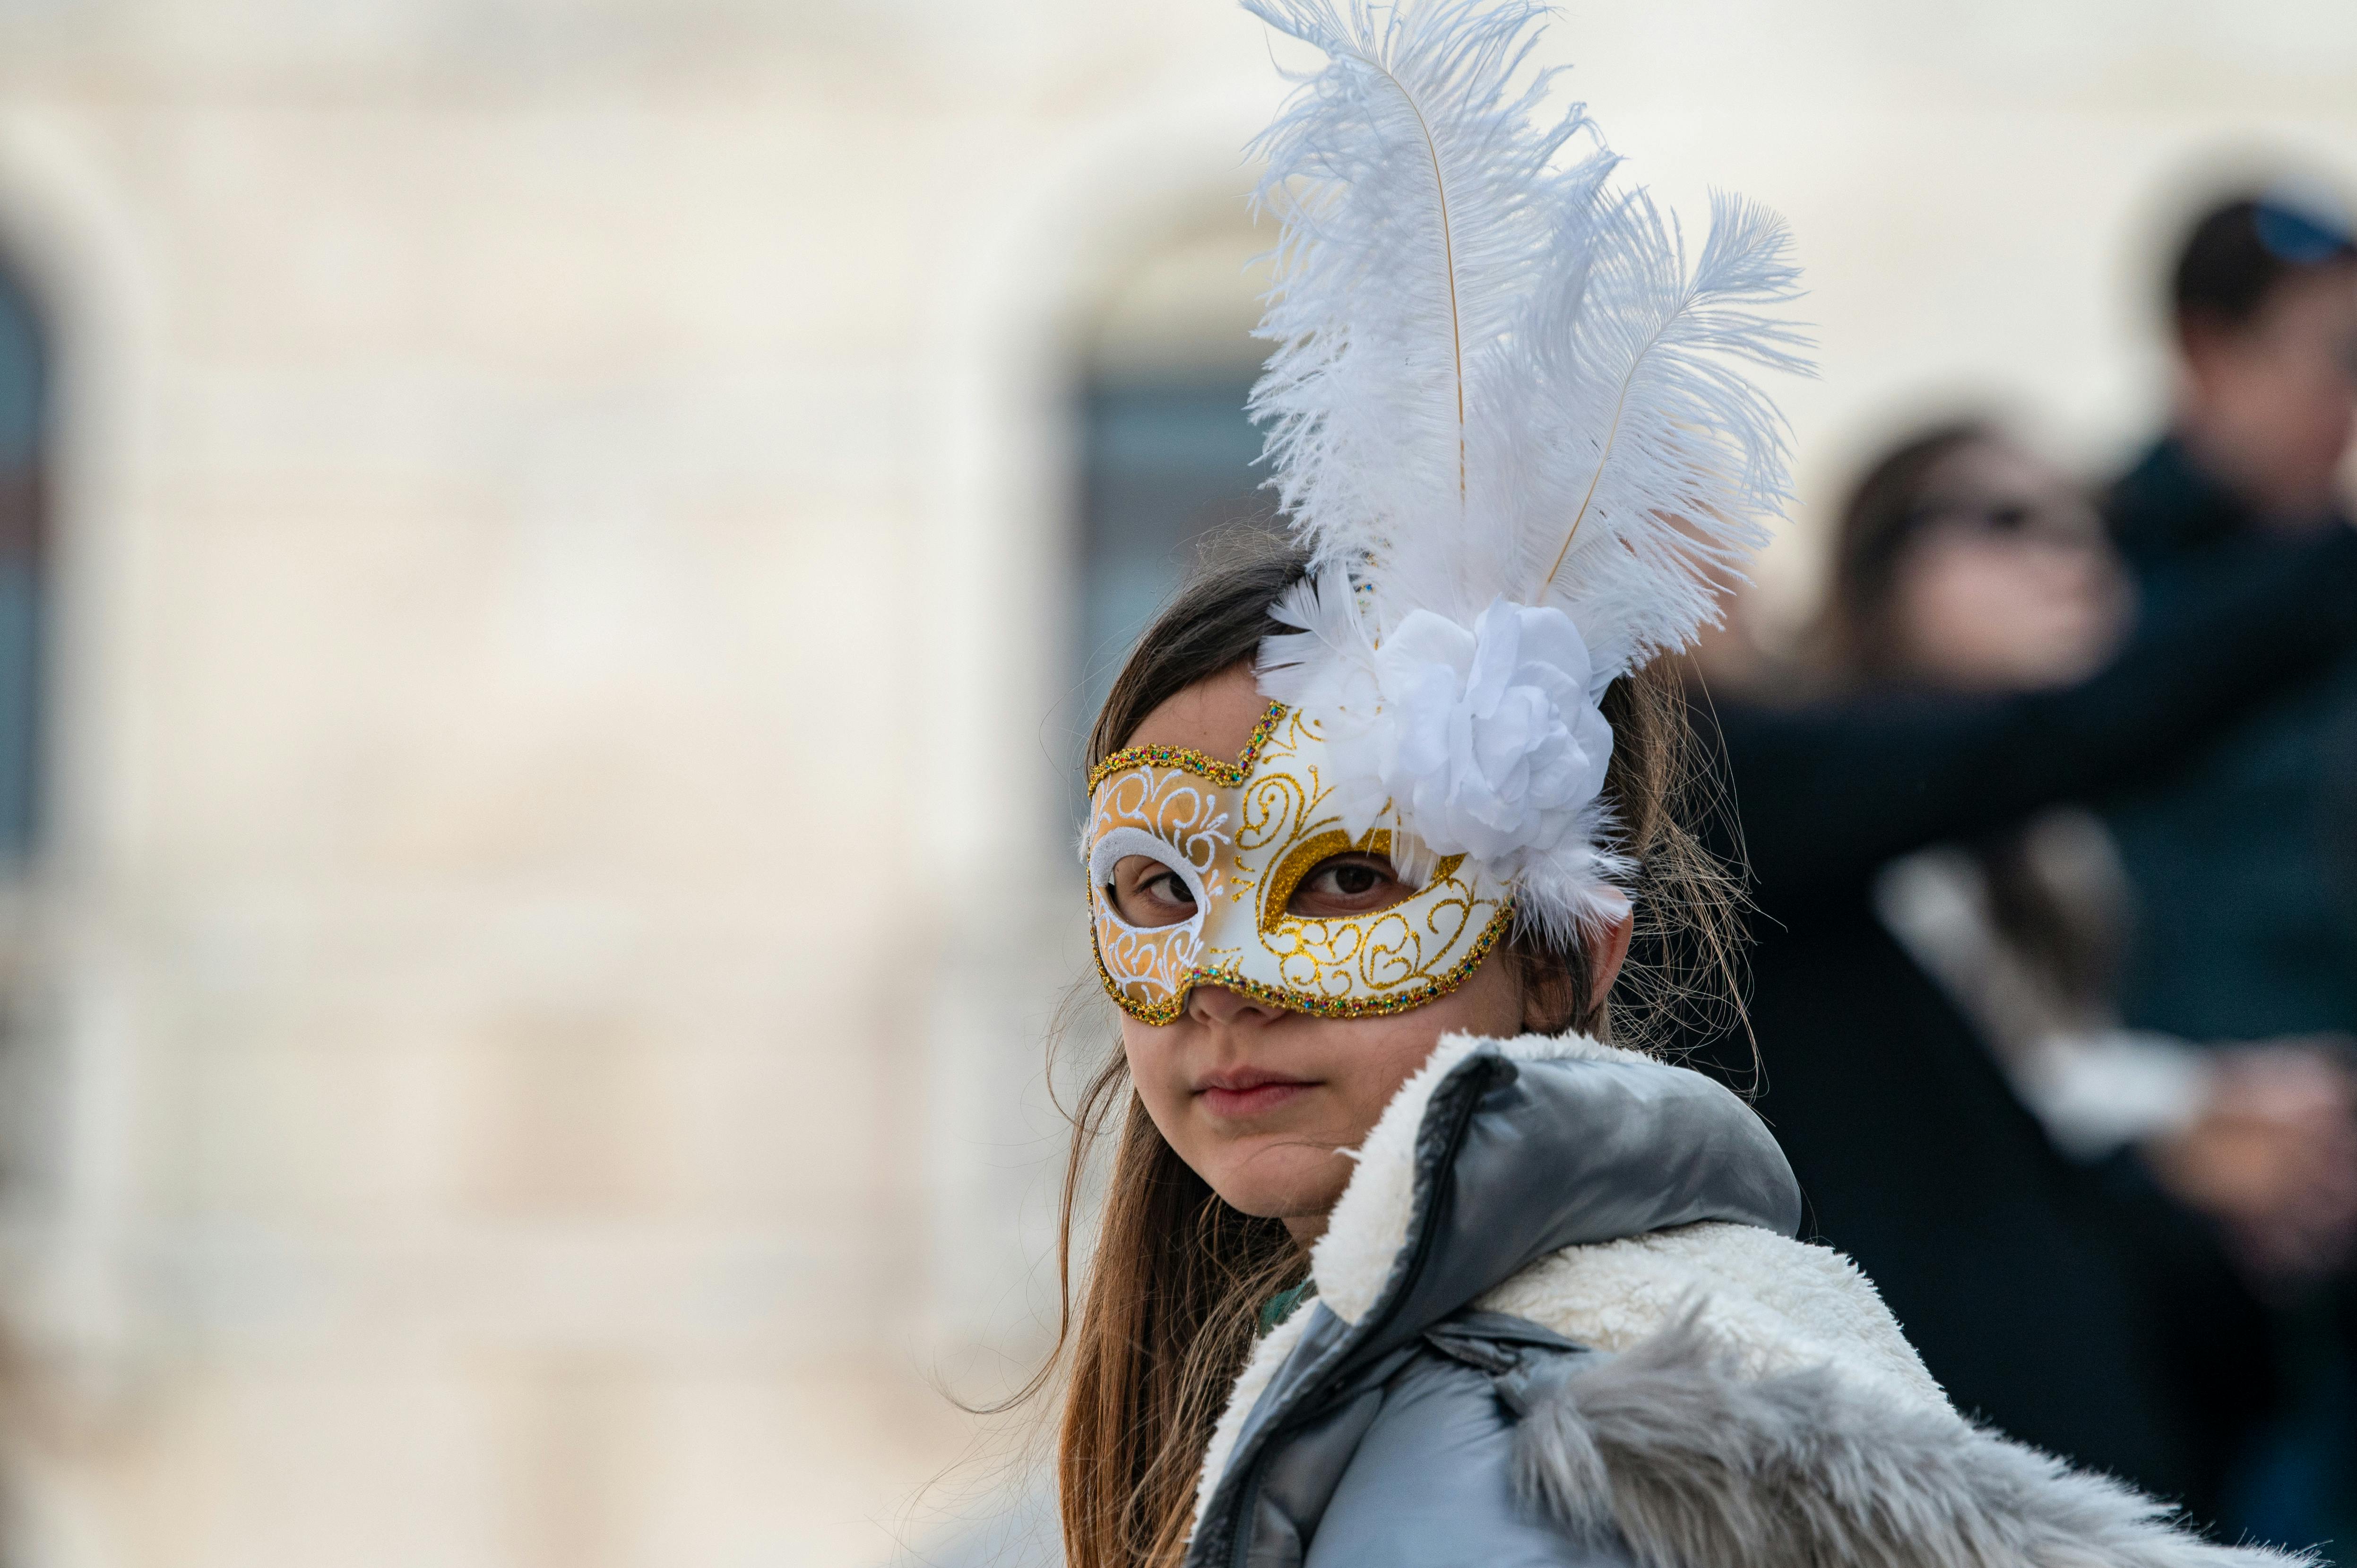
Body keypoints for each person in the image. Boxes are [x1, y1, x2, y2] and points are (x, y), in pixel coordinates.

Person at [1021, 5, 2308, 1565]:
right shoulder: (1307, 1394)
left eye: (1344, 874)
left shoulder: (1600, 1440)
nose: (1219, 980)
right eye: (1155, 887)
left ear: (1572, 952)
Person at [1679, 419, 2357, 1523]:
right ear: (1879, 562)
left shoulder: (2060, 844)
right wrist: (2187, 1124)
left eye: (2085, 525)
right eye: (2004, 521)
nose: (2069, 557)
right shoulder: (1793, 796)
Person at [2102, 190, 2357, 1049]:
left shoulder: (2331, 572)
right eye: (2340, 357)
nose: (2351, 405)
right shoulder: (2071, 568)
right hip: (2163, 1112)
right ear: (2208, 351)